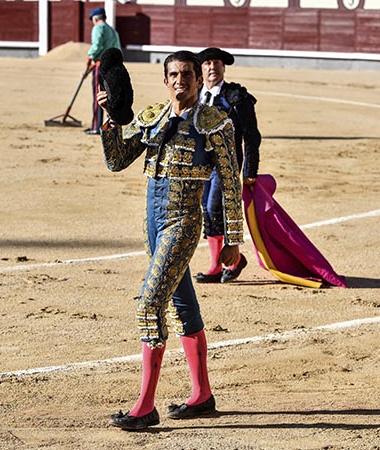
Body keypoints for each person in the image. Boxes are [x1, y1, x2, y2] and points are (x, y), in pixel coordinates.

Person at [97, 50, 243, 430]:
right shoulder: (154, 117)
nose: (181, 80)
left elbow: (230, 183)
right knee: (182, 305)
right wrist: (110, 118)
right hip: (153, 222)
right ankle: (202, 395)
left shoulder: (215, 123)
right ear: (165, 81)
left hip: (182, 221)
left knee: (149, 305)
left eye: (187, 75)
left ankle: (145, 406)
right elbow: (116, 161)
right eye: (174, 74)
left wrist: (233, 238)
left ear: (197, 81)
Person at [194, 47, 261, 284]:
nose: (212, 67)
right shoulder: (194, 94)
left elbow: (252, 136)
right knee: (205, 210)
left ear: (223, 68)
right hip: (199, 164)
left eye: (217, 63)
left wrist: (250, 171)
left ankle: (231, 260)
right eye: (207, 63)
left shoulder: (236, 97)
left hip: (227, 164)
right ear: (201, 69)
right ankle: (218, 263)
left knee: (215, 208)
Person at [85, 7, 121, 135]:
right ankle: (111, 124)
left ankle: (96, 126)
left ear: (95, 18)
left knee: (98, 96)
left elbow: (97, 46)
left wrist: (90, 57)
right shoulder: (113, 31)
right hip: (114, 66)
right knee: (110, 95)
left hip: (101, 65)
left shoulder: (98, 28)